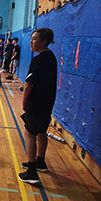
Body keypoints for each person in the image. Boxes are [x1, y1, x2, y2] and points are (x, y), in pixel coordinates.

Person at [18, 28, 57, 184]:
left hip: (36, 103)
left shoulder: (38, 59)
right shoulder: (51, 57)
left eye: (34, 39)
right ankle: (40, 161)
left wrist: (24, 102)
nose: (31, 42)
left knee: (29, 133)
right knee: (41, 131)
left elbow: (28, 84)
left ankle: (32, 172)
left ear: (44, 41)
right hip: (47, 102)